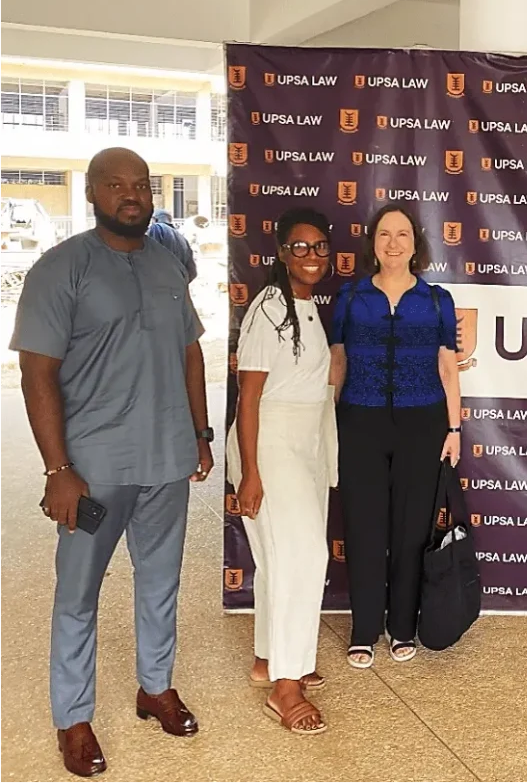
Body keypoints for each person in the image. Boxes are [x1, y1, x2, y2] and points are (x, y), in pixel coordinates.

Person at [9, 147, 212, 777]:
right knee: (77, 595)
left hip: (167, 461)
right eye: (116, 184)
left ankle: (155, 688)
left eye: (142, 185)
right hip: (94, 472)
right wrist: (56, 469)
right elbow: (35, 372)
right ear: (93, 193)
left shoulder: (166, 266)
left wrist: (199, 435)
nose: (132, 194)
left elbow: (190, 354)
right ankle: (73, 718)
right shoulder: (60, 268)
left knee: (161, 585)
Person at [329, 202, 462, 668]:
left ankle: (402, 625)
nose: (392, 243)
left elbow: (448, 366)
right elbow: (338, 362)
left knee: (410, 531)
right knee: (364, 528)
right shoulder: (349, 298)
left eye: (402, 234)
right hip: (360, 423)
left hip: (422, 423)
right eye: (384, 234)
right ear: (372, 242)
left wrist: (454, 426)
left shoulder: (436, 300)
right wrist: (328, 419)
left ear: (415, 243)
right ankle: (365, 628)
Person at [226, 207, 337, 734]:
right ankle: (285, 688)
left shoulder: (306, 304)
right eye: (300, 247)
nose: (311, 256)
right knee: (304, 558)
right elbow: (248, 398)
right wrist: (250, 471)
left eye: (319, 247)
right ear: (281, 253)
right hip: (269, 442)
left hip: (306, 442)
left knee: (280, 559)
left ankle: (270, 657)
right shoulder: (269, 308)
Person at [148, 209, 197, 283]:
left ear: (155, 219)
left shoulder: (157, 228)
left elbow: (150, 255)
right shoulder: (182, 238)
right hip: (177, 286)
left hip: (160, 283)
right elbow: (193, 272)